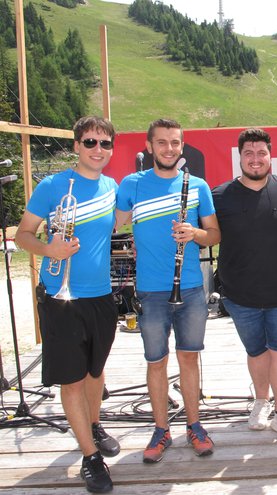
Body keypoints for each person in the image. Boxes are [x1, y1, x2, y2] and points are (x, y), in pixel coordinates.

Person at [16, 116, 120, 493]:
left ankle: (93, 424)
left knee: (95, 371)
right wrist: (48, 248)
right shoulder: (52, 185)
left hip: (101, 296)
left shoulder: (112, 187)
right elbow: (22, 234)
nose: (98, 150)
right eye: (90, 142)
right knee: (73, 379)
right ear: (76, 145)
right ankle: (90, 458)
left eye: (105, 144)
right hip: (61, 296)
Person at [115, 118, 220, 464]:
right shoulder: (132, 184)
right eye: (162, 143)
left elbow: (215, 235)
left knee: (189, 358)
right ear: (149, 147)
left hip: (189, 288)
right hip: (151, 290)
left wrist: (195, 233)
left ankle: (194, 424)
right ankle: (161, 430)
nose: (169, 149)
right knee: (155, 361)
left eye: (175, 143)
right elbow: (114, 224)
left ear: (182, 146)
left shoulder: (198, 186)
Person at [212, 128, 277, 444]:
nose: (255, 159)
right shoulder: (220, 196)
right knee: (256, 352)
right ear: (239, 157)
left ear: (270, 155)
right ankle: (261, 402)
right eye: (249, 153)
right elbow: (206, 233)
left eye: (261, 152)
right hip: (240, 295)